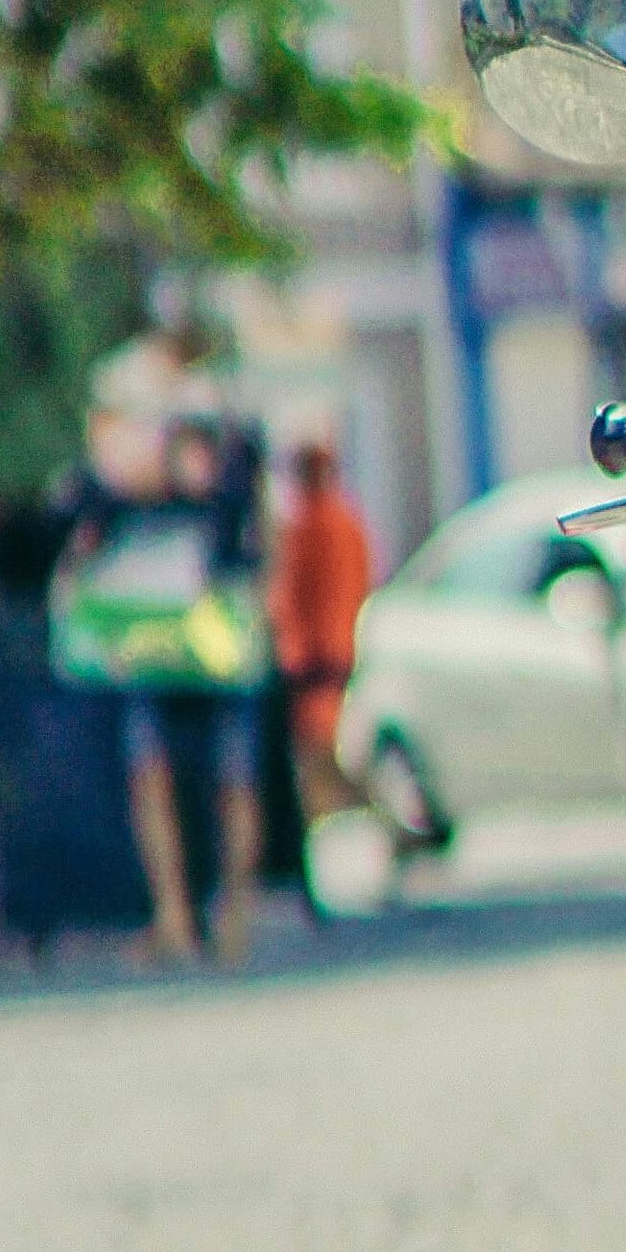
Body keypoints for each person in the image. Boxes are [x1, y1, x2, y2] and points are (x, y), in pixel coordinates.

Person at [57, 405, 267, 969]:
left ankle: (231, 914)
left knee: (231, 784)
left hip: (216, 654)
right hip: (156, 656)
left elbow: (246, 544)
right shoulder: (130, 493)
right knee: (157, 779)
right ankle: (175, 914)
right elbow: (82, 527)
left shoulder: (230, 489)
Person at [268, 434, 376, 829]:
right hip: (336, 653)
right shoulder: (339, 518)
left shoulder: (320, 522)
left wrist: (297, 653)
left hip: (319, 661)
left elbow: (301, 597)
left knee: (322, 752)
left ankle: (359, 822)